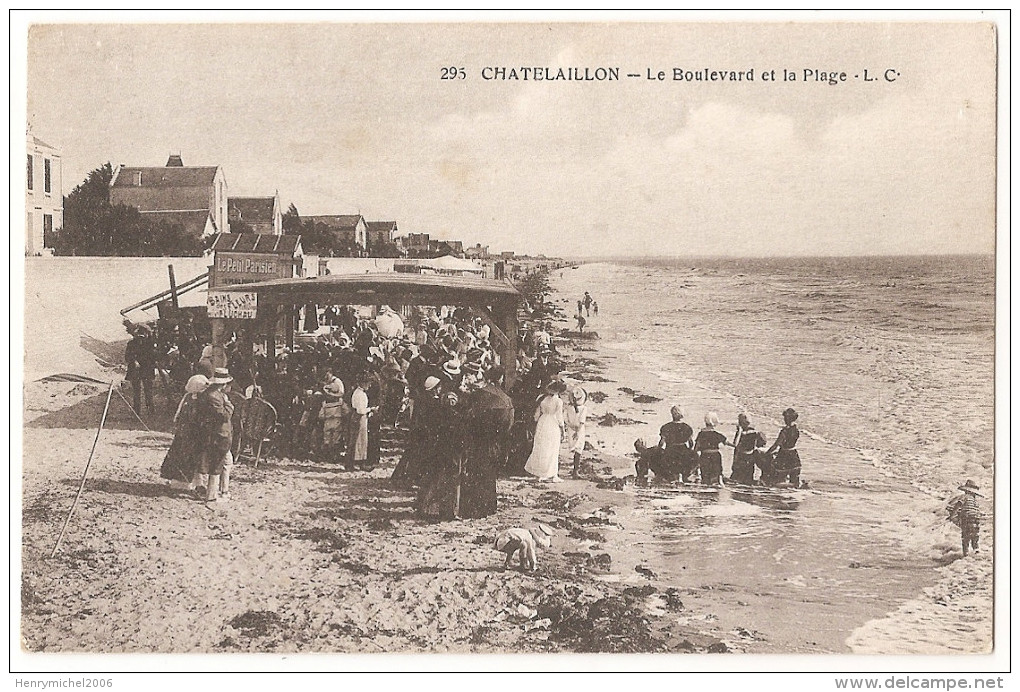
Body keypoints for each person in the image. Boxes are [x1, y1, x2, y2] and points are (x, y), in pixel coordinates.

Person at [459, 367, 515, 518]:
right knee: (489, 475)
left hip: (476, 441)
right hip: (494, 442)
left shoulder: (477, 395)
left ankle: (472, 507)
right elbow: (508, 426)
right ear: (500, 379)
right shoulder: (504, 399)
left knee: (473, 472)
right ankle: (488, 506)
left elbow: (467, 417)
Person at [160, 374, 210, 492]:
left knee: (190, 458)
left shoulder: (189, 398)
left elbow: (177, 415)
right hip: (191, 434)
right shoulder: (198, 399)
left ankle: (194, 482)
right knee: (191, 458)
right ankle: (188, 483)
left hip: (187, 434)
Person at [196, 368, 234, 503]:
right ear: (223, 384)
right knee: (218, 464)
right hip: (219, 434)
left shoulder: (208, 393)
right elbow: (224, 415)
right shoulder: (215, 396)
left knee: (221, 462)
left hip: (212, 433)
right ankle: (212, 494)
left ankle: (218, 491)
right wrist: (229, 404)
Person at [524, 380, 567, 482]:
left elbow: (536, 416)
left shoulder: (543, 399)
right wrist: (563, 430)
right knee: (552, 448)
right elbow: (559, 417)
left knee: (541, 447)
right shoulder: (558, 401)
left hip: (542, 422)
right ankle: (552, 474)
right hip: (552, 423)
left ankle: (540, 473)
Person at [658, 406, 698, 483]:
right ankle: (687, 475)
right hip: (683, 450)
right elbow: (691, 444)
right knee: (694, 455)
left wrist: (660, 449)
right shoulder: (687, 427)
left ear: (672, 414)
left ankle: (669, 476)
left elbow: (661, 443)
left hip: (670, 450)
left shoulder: (665, 427)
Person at [346, 372, 377, 470]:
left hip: (359, 416)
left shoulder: (358, 392)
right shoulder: (360, 394)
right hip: (359, 417)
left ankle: (355, 462)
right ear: (363, 383)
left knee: (358, 439)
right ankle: (356, 463)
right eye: (368, 383)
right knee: (359, 440)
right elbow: (360, 410)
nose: (369, 385)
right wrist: (371, 409)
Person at [125, 324, 158, 415]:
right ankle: (136, 412)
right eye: (140, 334)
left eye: (144, 334)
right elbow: (127, 357)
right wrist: (134, 361)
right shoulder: (131, 344)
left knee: (148, 391)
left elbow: (154, 356)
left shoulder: (150, 344)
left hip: (146, 370)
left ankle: (150, 411)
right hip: (136, 370)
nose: (142, 336)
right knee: (136, 391)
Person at [766, 408, 802, 487]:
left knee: (777, 481)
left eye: (785, 417)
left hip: (784, 456)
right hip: (794, 455)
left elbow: (776, 445)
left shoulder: (784, 431)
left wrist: (767, 453)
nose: (784, 419)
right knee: (795, 481)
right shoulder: (796, 430)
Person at [694, 412, 731, 487]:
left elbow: (696, 448)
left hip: (705, 456)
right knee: (716, 475)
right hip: (715, 456)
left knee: (705, 476)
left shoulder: (701, 434)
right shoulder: (717, 434)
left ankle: (706, 492)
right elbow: (727, 443)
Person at [949, 480, 983, 556]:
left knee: (965, 538)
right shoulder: (975, 501)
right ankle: (976, 553)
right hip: (976, 520)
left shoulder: (964, 497)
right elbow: (974, 511)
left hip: (967, 519)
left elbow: (958, 505)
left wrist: (952, 515)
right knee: (975, 538)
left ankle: (966, 554)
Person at [731, 413, 766, 485]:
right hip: (750, 458)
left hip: (741, 458)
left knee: (736, 478)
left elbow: (735, 445)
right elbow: (763, 442)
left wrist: (739, 432)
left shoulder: (741, 433)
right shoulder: (755, 432)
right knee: (748, 478)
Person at [318, 378, 348, 464]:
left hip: (327, 422)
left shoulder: (325, 403)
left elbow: (321, 415)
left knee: (327, 439)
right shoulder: (340, 402)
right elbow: (346, 411)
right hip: (337, 421)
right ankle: (335, 456)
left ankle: (326, 455)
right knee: (336, 439)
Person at [565, 386, 588, 479]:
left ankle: (575, 471)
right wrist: (577, 431)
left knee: (573, 447)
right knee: (579, 449)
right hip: (579, 430)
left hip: (570, 429)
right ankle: (575, 471)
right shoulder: (583, 408)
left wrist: (571, 426)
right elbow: (582, 422)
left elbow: (565, 418)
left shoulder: (569, 407)